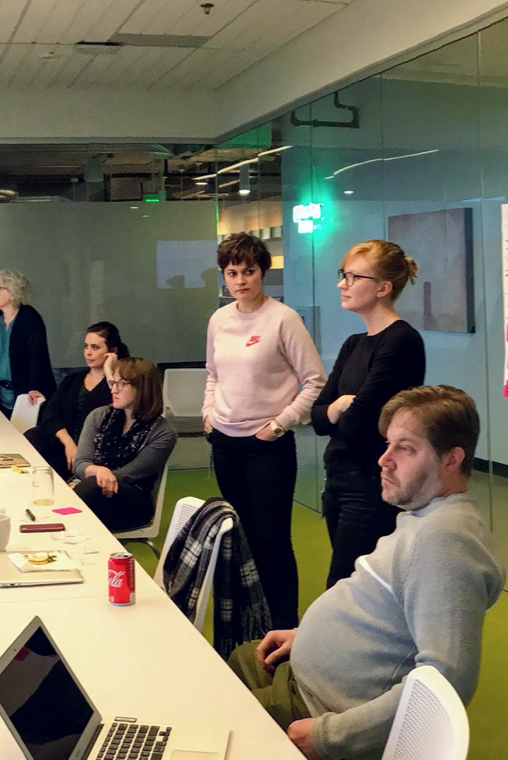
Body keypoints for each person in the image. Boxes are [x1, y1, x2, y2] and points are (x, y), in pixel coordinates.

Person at [226, 386, 503, 760]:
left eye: (405, 449)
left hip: (324, 721)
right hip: (306, 685)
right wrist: (306, 637)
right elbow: (390, 614)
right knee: (234, 660)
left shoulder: (444, 543)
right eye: (388, 444)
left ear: (451, 459)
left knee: (200, 719)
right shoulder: (425, 518)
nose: (384, 460)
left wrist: (327, 738)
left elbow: (446, 681)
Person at [202, 232, 325, 629]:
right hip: (224, 441)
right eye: (232, 272)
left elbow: (314, 381)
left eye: (249, 271)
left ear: (262, 273)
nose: (241, 280)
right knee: (239, 537)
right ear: (224, 276)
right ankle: (246, 618)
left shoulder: (283, 319)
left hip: (266, 446)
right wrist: (208, 413)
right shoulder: (219, 320)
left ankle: (285, 625)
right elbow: (212, 374)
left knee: (272, 540)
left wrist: (280, 424)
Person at [311, 240, 427, 587]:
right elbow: (317, 417)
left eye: (352, 276)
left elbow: (361, 422)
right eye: (342, 275)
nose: (341, 284)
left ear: (383, 288)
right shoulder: (353, 343)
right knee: (351, 586)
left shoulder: (401, 341)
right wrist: (336, 408)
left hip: (371, 484)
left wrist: (340, 411)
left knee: (346, 587)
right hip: (338, 480)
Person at [72, 356, 176, 532]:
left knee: (90, 488)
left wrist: (93, 478)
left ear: (142, 388)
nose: (113, 390)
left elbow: (129, 475)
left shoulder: (163, 432)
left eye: (121, 383)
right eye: (113, 382)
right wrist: (99, 471)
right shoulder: (98, 416)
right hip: (91, 491)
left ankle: (60, 525)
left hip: (132, 500)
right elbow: (80, 462)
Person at [24, 321, 127, 479]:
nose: (88, 353)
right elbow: (51, 413)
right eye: (86, 346)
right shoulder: (73, 380)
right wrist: (68, 443)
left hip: (92, 455)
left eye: (95, 347)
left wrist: (110, 372)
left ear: (111, 351)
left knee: (48, 471)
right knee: (31, 440)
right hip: (63, 446)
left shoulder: (119, 386)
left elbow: (118, 414)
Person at [0, 268, 55, 418]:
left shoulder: (29, 317)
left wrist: (33, 388)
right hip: (1, 395)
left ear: (13, 291)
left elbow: (37, 357)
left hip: (29, 396)